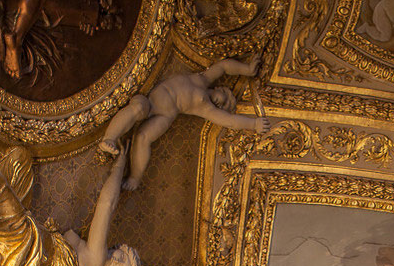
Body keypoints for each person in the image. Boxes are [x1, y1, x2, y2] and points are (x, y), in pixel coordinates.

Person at [0, 145, 138, 266]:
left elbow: (107, 204)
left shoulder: (96, 260)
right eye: (123, 258)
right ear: (121, 248)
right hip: (23, 253)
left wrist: (118, 167)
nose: (116, 261)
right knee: (18, 164)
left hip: (28, 244)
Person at [99, 55, 269, 189]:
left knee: (143, 137)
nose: (221, 104)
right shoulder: (203, 79)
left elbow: (230, 121)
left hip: (166, 114)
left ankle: (135, 177)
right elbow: (224, 67)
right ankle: (109, 139)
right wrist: (246, 69)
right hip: (151, 100)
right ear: (221, 88)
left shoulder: (205, 108)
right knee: (138, 108)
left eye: (224, 107)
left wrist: (254, 124)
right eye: (225, 99)